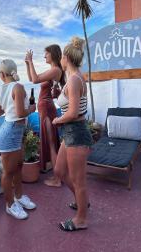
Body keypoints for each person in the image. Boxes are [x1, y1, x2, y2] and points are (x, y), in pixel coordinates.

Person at [52, 37, 93, 231]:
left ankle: (81, 219)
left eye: (61, 57)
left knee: (78, 181)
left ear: (66, 58)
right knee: (59, 171)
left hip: (76, 133)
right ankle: (81, 201)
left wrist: (58, 120)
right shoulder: (72, 79)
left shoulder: (75, 80)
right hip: (70, 133)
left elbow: (73, 113)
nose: (60, 60)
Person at [0, 59, 37, 220]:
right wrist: (32, 109)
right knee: (8, 172)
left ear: (2, 74)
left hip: (13, 131)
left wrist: (8, 106)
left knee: (18, 167)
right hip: (10, 132)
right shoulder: (17, 87)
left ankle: (19, 196)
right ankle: (10, 205)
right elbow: (20, 113)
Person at [25, 45, 65, 187]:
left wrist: (31, 61)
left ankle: (57, 179)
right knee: (51, 142)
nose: (44, 56)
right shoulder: (52, 71)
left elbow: (35, 80)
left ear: (52, 55)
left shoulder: (55, 70)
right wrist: (27, 63)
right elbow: (32, 78)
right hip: (46, 109)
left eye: (46, 54)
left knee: (52, 143)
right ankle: (57, 175)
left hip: (47, 109)